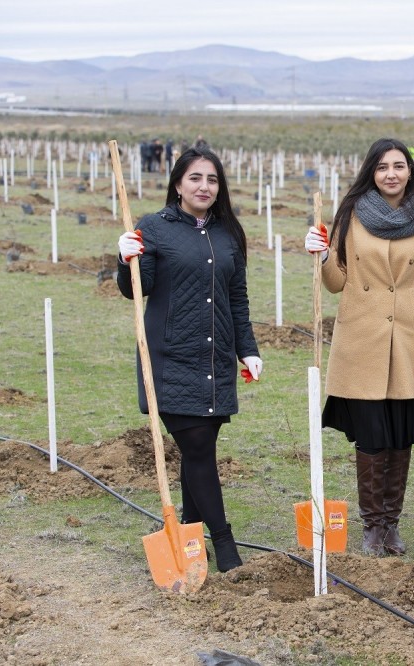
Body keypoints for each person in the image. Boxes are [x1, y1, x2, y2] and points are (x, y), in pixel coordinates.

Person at [116, 146, 262, 573]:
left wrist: (248, 349)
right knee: (197, 447)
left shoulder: (228, 234)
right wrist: (125, 262)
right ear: (178, 184)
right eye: (195, 178)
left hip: (214, 360)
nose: (204, 186)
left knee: (200, 449)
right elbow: (135, 289)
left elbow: (237, 297)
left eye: (212, 179)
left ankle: (189, 531)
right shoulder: (154, 228)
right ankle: (225, 544)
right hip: (170, 359)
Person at [304, 138, 414, 557]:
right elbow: (336, 282)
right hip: (361, 342)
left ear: (410, 171)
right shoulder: (351, 214)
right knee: (370, 437)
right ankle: (371, 527)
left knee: (400, 437)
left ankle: (391, 525)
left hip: (406, 342)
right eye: (383, 166)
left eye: (399, 166)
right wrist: (322, 255)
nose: (391, 174)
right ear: (372, 171)